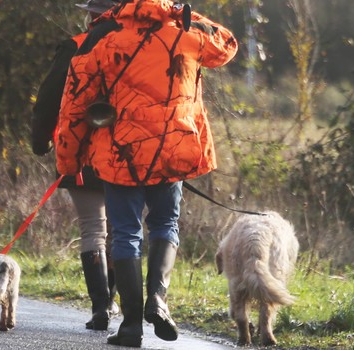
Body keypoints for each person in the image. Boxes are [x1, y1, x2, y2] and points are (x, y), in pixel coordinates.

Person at [55, 0, 238, 347]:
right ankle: (159, 299)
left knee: (125, 234)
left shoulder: (103, 39)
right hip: (172, 148)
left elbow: (74, 104)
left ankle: (131, 327)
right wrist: (184, 13)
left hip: (121, 153)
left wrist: (69, 159)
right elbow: (227, 44)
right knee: (165, 225)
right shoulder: (185, 33)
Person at [31, 0, 121, 331]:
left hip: (81, 153)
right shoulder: (137, 50)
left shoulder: (75, 47)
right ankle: (113, 303)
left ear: (91, 16)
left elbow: (49, 99)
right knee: (119, 231)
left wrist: (40, 140)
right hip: (127, 155)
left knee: (93, 228)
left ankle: (101, 308)